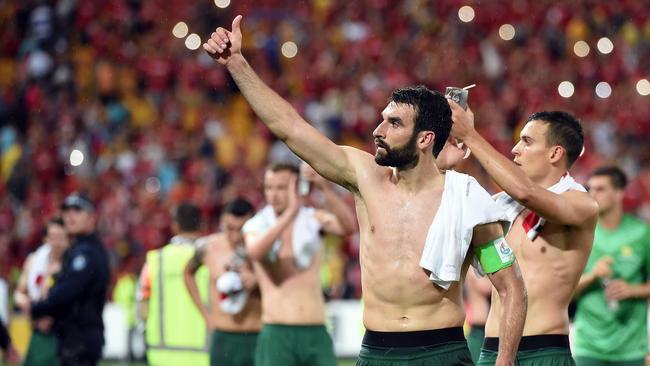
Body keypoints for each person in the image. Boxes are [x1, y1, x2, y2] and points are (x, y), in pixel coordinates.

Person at [205, 16, 526, 366]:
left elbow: (511, 289)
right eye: (382, 118)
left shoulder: (467, 198)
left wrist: (505, 362)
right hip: (376, 353)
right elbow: (291, 129)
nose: (378, 130)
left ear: (425, 139)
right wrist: (236, 64)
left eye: (394, 123)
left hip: (444, 353)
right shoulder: (363, 175)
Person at [448, 103, 598, 365]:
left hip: (543, 351)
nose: (515, 150)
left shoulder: (582, 204)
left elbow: (526, 192)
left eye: (527, 142)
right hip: (491, 350)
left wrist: (470, 134)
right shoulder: (501, 205)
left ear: (555, 153)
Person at [241, 162, 356, 366]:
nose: (273, 195)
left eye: (281, 188)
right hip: (277, 332)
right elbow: (255, 251)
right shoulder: (257, 224)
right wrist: (289, 215)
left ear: (297, 188)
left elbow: (348, 227)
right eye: (269, 187)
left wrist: (323, 188)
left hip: (316, 331)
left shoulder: (313, 219)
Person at [573, 166, 650, 366]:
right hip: (588, 346)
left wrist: (633, 289)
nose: (592, 194)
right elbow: (563, 290)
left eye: (600, 189)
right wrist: (593, 275)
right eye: (590, 189)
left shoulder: (642, 233)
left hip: (631, 348)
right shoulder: (578, 233)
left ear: (619, 193)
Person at [29, 193, 110, 366]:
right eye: (67, 211)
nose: (70, 216)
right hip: (76, 338)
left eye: (77, 211)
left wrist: (38, 309)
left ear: (92, 218)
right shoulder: (80, 249)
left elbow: (67, 292)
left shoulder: (86, 253)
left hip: (80, 339)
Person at [184, 198, 260, 366]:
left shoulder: (263, 247)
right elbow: (188, 273)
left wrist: (258, 280)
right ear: (221, 223)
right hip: (223, 337)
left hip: (257, 335)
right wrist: (206, 316)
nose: (234, 235)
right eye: (229, 228)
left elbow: (282, 280)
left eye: (241, 229)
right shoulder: (208, 247)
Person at [138, 202, 209, 366]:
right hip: (203, 354)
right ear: (201, 225)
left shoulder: (156, 261)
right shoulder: (211, 259)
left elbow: (142, 307)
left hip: (162, 355)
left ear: (175, 225)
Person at [15, 217, 70, 366]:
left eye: (61, 238)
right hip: (39, 334)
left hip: (63, 335)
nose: (56, 243)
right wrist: (32, 308)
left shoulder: (71, 265)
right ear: (45, 239)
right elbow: (19, 294)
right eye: (52, 237)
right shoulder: (35, 261)